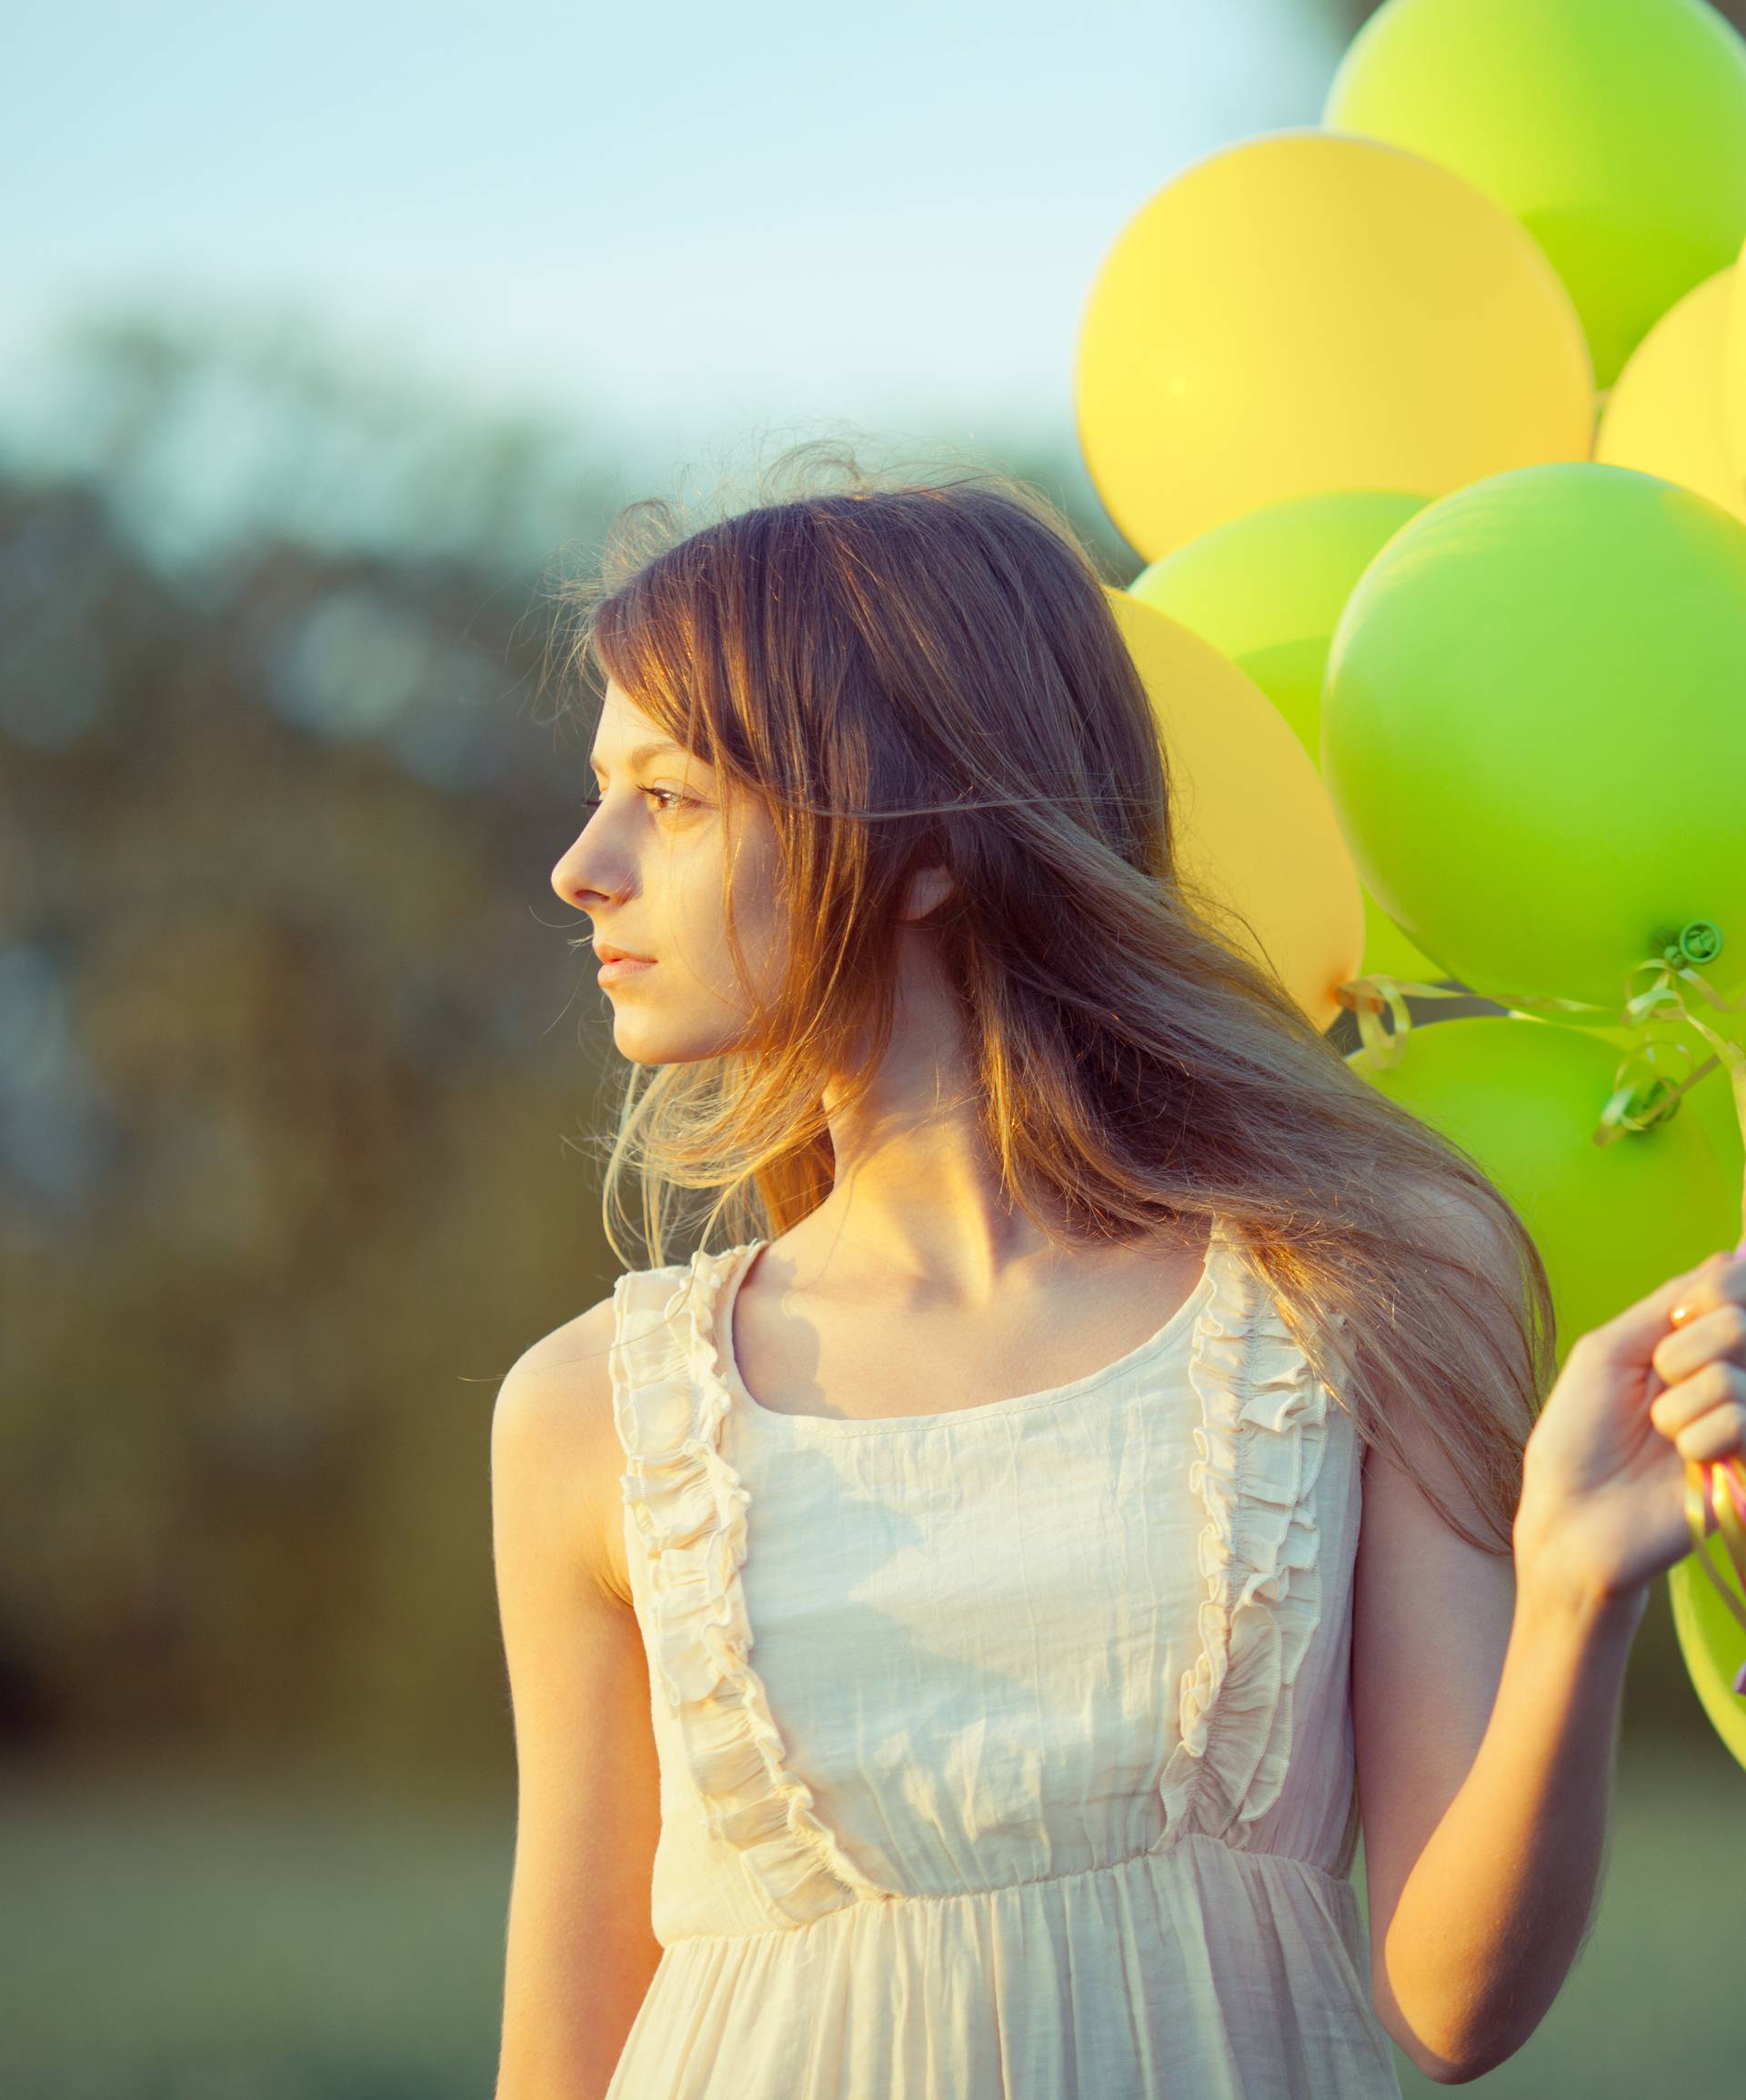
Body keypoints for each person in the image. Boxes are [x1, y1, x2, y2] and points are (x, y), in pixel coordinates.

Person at [488, 444, 1746, 2098]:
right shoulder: (593, 1408)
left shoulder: (1359, 1281)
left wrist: (1578, 1583)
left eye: (670, 797)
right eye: (604, 792)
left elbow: (1451, 2009)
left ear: (929, 848)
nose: (585, 863)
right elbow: (560, 2059)